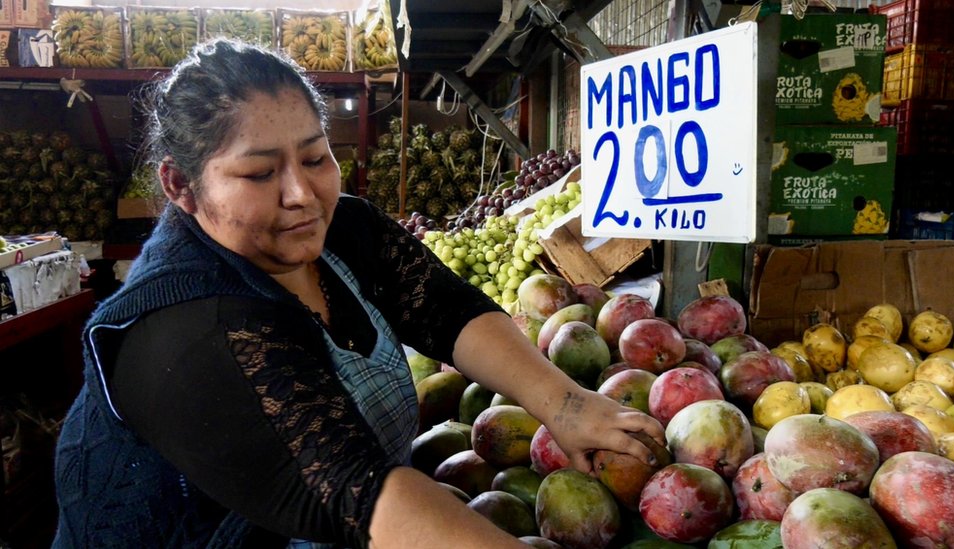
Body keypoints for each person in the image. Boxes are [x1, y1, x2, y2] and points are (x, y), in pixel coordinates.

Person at [52, 39, 660, 548]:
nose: (301, 194)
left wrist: (568, 407)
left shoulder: (341, 228)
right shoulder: (187, 326)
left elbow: (447, 311)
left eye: (316, 158)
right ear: (180, 184)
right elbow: (358, 493)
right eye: (260, 173)